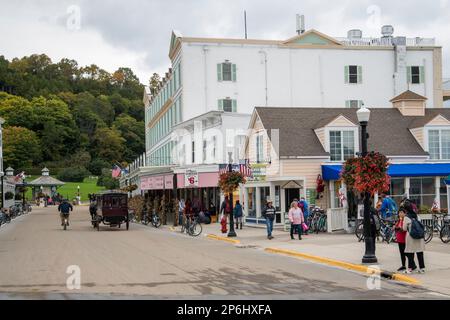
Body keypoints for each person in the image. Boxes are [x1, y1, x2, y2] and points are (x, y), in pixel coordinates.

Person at [402, 201, 426, 274]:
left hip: (411, 237)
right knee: (420, 253)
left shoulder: (406, 217)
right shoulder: (417, 216)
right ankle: (422, 268)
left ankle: (410, 269)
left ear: (406, 210)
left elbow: (404, 228)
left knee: (410, 253)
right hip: (419, 236)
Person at [394, 208, 408, 272]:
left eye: (402, 212)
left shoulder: (405, 220)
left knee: (407, 253)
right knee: (401, 253)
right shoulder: (399, 220)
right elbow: (395, 227)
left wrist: (399, 227)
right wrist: (395, 227)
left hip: (404, 239)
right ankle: (403, 265)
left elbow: (404, 229)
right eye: (399, 212)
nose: (400, 214)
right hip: (399, 239)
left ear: (405, 213)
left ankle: (412, 264)